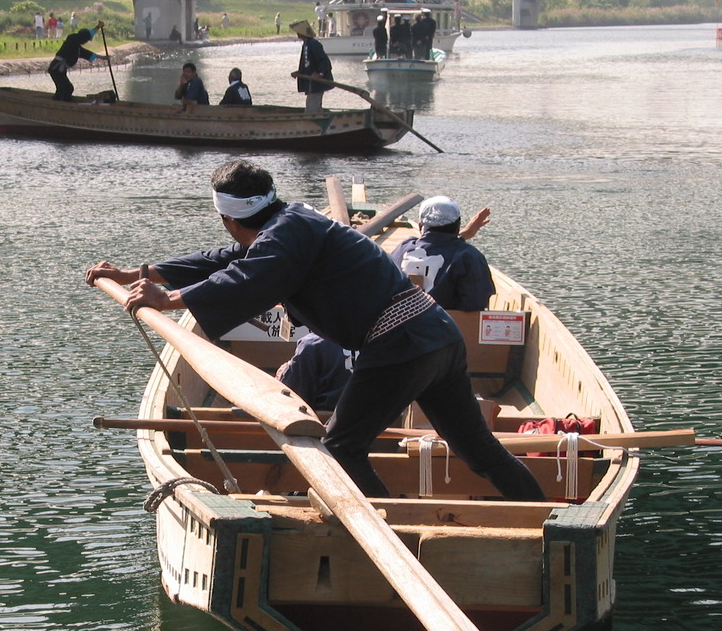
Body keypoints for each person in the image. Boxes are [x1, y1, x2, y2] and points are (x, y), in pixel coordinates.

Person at [84, 160, 546, 503]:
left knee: (342, 445)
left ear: (227, 215)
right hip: (439, 337)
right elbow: (226, 260)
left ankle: (393, 534)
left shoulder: (284, 238)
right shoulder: (292, 222)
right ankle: (541, 513)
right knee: (479, 450)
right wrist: (141, 273)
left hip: (401, 346)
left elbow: (246, 279)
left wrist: (169, 300)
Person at [390, 196, 496, 311]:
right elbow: (476, 305)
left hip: (400, 326)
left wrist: (462, 236)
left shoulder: (402, 249)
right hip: (446, 327)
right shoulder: (469, 256)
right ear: (458, 226)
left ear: (420, 225)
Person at [277, 332, 354, 412]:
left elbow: (291, 399)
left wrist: (281, 377)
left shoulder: (312, 343)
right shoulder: (366, 342)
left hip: (322, 421)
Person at [47, 25, 105, 102]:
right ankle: (58, 105)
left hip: (60, 70)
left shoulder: (77, 47)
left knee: (64, 89)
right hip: (56, 69)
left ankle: (63, 102)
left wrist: (98, 27)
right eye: (86, 40)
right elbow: (84, 39)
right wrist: (97, 27)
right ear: (83, 38)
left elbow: (87, 52)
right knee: (67, 88)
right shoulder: (72, 39)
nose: (86, 42)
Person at [290, 20, 332, 112]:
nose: (297, 34)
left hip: (317, 82)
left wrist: (320, 73)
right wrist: (299, 73)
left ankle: (313, 122)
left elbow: (324, 61)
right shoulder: (306, 44)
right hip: (312, 83)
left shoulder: (313, 44)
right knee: (311, 105)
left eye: (298, 32)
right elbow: (307, 64)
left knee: (312, 107)